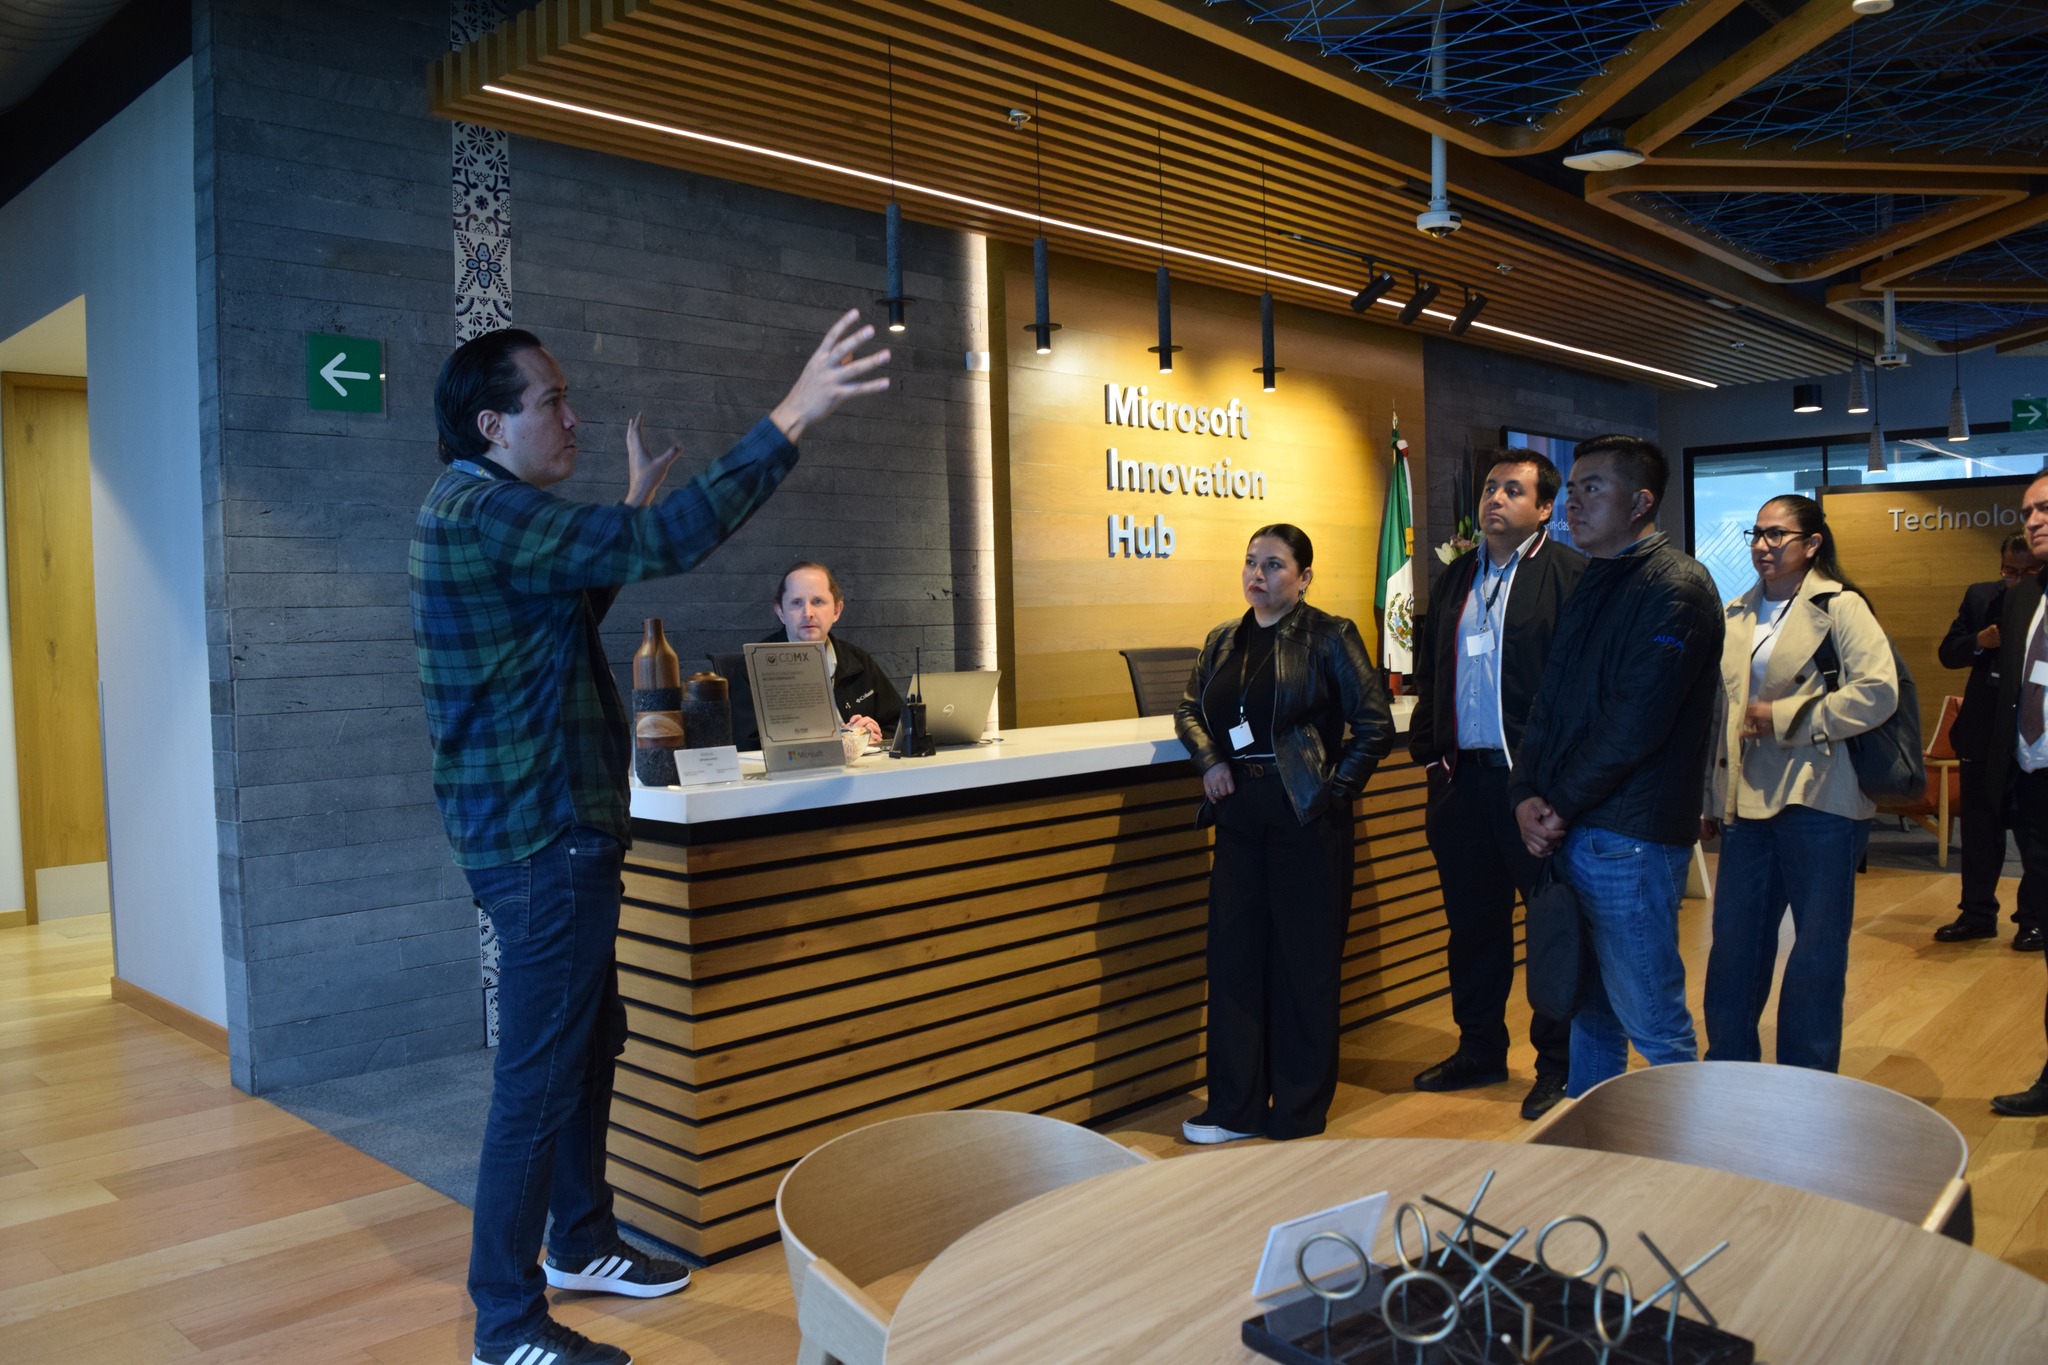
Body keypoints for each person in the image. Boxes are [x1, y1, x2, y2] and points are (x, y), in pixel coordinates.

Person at [413, 310, 888, 1365]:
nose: (570, 416)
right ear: (492, 423)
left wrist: (628, 503)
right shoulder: (485, 511)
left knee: (588, 1044)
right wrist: (795, 411)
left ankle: (581, 1241)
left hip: (546, 830)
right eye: (551, 401)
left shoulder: (482, 511)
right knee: (539, 1077)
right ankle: (505, 1322)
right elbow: (670, 544)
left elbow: (569, 606)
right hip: (541, 835)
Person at [1506, 435, 1723, 1098]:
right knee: (1591, 1016)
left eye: (1592, 488)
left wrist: (1558, 804)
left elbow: (1636, 723)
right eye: (1571, 490)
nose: (1574, 502)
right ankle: (1592, 1149)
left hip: (1629, 837)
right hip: (1577, 828)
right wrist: (1524, 793)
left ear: (1641, 502)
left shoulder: (1677, 587)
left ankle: (1687, 1154)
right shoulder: (1594, 578)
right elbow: (1549, 704)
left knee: (1653, 1022)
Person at [1174, 524, 1394, 1143]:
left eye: (1274, 564)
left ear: (1303, 578)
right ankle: (1234, 1108)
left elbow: (1374, 725)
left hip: (1305, 815)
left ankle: (1296, 1110)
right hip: (1239, 814)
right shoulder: (1223, 639)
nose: (1258, 574)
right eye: (1251, 561)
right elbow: (1189, 709)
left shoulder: (1330, 635)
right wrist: (1209, 761)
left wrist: (1334, 793)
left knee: (1304, 963)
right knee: (1235, 960)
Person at [1408, 450, 1585, 1120]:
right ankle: (1479, 1048)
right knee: (1473, 928)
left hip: (1532, 791)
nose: (1496, 499)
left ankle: (1558, 1066)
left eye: (1514, 490)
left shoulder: (1569, 576)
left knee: (1550, 931)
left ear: (1544, 509)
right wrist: (1432, 761)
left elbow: (1581, 694)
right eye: (1490, 488)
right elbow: (1431, 672)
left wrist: (1559, 790)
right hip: (1463, 784)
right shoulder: (1457, 577)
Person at [1701, 495, 1897, 1072]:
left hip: (1821, 797)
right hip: (1746, 801)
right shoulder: (1736, 611)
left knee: (1815, 952)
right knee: (1735, 948)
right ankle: (1728, 1069)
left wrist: (1786, 717)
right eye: (1756, 534)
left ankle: (1807, 1082)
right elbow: (1719, 712)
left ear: (1812, 544)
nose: (1763, 546)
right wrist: (1709, 797)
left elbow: (1878, 691)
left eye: (1777, 535)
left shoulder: (1840, 606)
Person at [1936, 534, 2043, 948]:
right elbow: (1949, 653)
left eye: (2029, 572)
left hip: (2032, 737)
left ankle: (2034, 920)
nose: (2018, 580)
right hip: (1982, 732)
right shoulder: (1981, 597)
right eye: (2010, 572)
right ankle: (1977, 915)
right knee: (1979, 832)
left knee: (2034, 836)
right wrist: (1978, 643)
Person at [1987, 474, 2048, 1117]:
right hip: (2035, 787)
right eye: (2027, 511)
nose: (2033, 520)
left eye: (2045, 508)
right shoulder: (2024, 595)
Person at [737, 561, 903, 749]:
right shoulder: (753, 665)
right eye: (796, 603)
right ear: (781, 612)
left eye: (818, 601)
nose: (808, 613)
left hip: (862, 765)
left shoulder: (858, 661)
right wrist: (837, 744)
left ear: (836, 610)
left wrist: (873, 735)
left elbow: (899, 724)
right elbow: (746, 744)